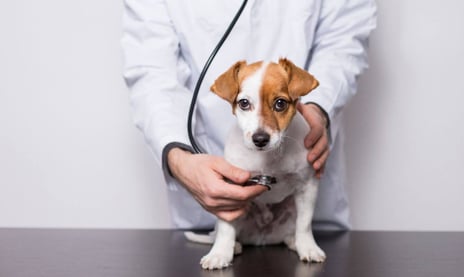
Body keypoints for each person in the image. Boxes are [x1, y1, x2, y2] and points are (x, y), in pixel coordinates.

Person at [121, 0, 377, 230]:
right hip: (208, 190)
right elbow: (151, 71)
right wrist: (179, 159)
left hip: (304, 194)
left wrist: (319, 108)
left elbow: (344, 39)